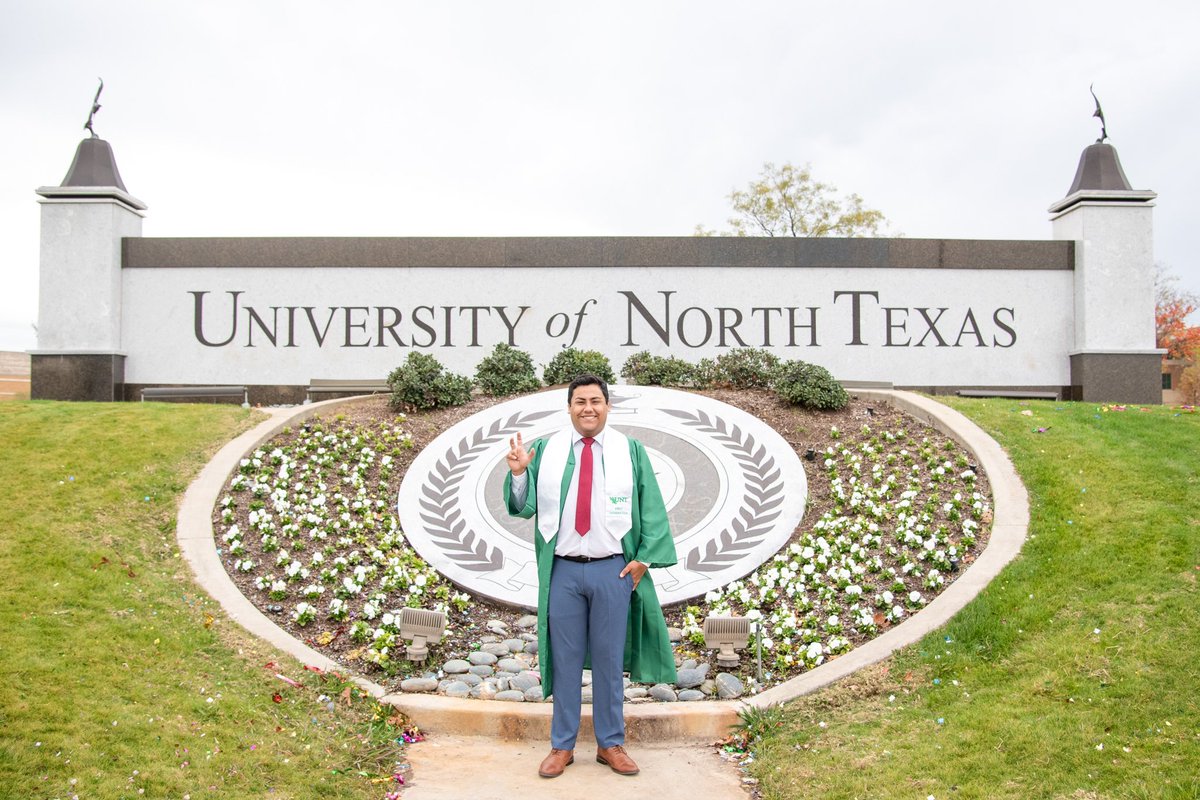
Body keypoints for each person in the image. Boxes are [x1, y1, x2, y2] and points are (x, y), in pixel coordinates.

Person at [503, 374, 678, 778]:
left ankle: (610, 743)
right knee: (564, 661)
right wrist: (517, 474)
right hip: (563, 570)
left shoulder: (628, 450)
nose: (588, 408)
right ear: (569, 407)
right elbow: (524, 506)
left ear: (607, 406)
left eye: (595, 401)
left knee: (608, 658)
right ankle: (562, 746)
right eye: (580, 401)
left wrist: (644, 560)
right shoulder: (547, 450)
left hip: (611, 569)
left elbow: (650, 503)